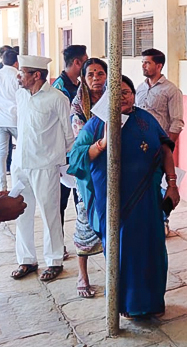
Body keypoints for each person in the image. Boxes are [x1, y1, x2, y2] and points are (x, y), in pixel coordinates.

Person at [68, 75, 180, 318]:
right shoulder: (97, 123)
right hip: (117, 205)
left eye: (127, 91)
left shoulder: (145, 119)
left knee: (152, 250)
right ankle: (127, 305)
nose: (124, 97)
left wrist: (172, 184)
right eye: (117, 92)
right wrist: (103, 143)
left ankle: (152, 303)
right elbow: (76, 158)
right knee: (124, 252)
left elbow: (165, 148)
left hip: (148, 202)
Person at [10, 55, 74, 282]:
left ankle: (54, 260)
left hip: (45, 164)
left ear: (36, 75)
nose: (18, 76)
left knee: (49, 214)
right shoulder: (21, 95)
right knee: (21, 212)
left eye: (22, 72)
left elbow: (69, 135)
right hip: (20, 163)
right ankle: (27, 259)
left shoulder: (57, 98)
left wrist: (61, 161)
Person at [69, 58, 108, 298]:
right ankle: (82, 275)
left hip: (112, 167)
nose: (96, 78)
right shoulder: (78, 106)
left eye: (100, 73)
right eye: (91, 74)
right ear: (82, 77)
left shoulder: (113, 98)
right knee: (85, 220)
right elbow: (82, 140)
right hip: (88, 170)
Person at [135, 48, 184, 236]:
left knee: (163, 183)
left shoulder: (171, 90)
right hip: (140, 147)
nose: (143, 66)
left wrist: (166, 146)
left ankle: (163, 221)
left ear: (159, 65)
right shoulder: (139, 88)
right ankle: (145, 220)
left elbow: (177, 122)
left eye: (147, 62)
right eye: (142, 62)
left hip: (160, 146)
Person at [52, 44, 88, 261]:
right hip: (63, 153)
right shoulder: (59, 88)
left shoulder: (79, 85)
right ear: (77, 63)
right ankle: (58, 245)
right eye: (85, 61)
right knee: (60, 202)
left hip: (78, 152)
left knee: (80, 199)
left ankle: (83, 242)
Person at [0, 49, 19, 192]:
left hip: (1, 120)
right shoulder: (18, 76)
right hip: (16, 119)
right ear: (17, 62)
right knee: (24, 149)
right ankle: (21, 182)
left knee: (2, 153)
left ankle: (3, 186)